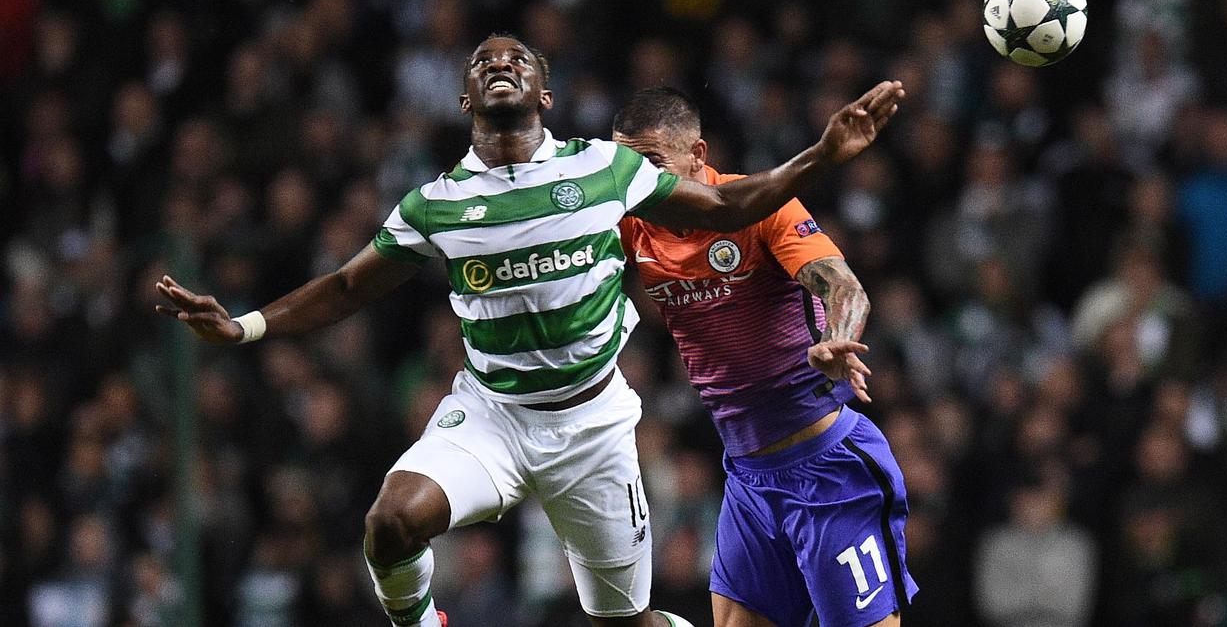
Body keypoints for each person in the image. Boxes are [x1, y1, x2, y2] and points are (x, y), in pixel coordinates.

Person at [155, 34, 905, 627]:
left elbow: (787, 245)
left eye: (516, 57)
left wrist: (821, 166)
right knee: (390, 520)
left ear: (545, 93)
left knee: (627, 621)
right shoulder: (445, 204)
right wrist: (245, 325)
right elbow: (349, 285)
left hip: (663, 435)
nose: (499, 62)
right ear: (463, 97)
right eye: (484, 60)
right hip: (511, 419)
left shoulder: (617, 179)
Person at [615, 86, 918, 627]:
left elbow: (845, 289)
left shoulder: (759, 208)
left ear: (697, 156)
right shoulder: (630, 224)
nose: (637, 185)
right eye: (624, 168)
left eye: (652, 166)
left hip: (829, 469)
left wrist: (837, 338)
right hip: (749, 479)